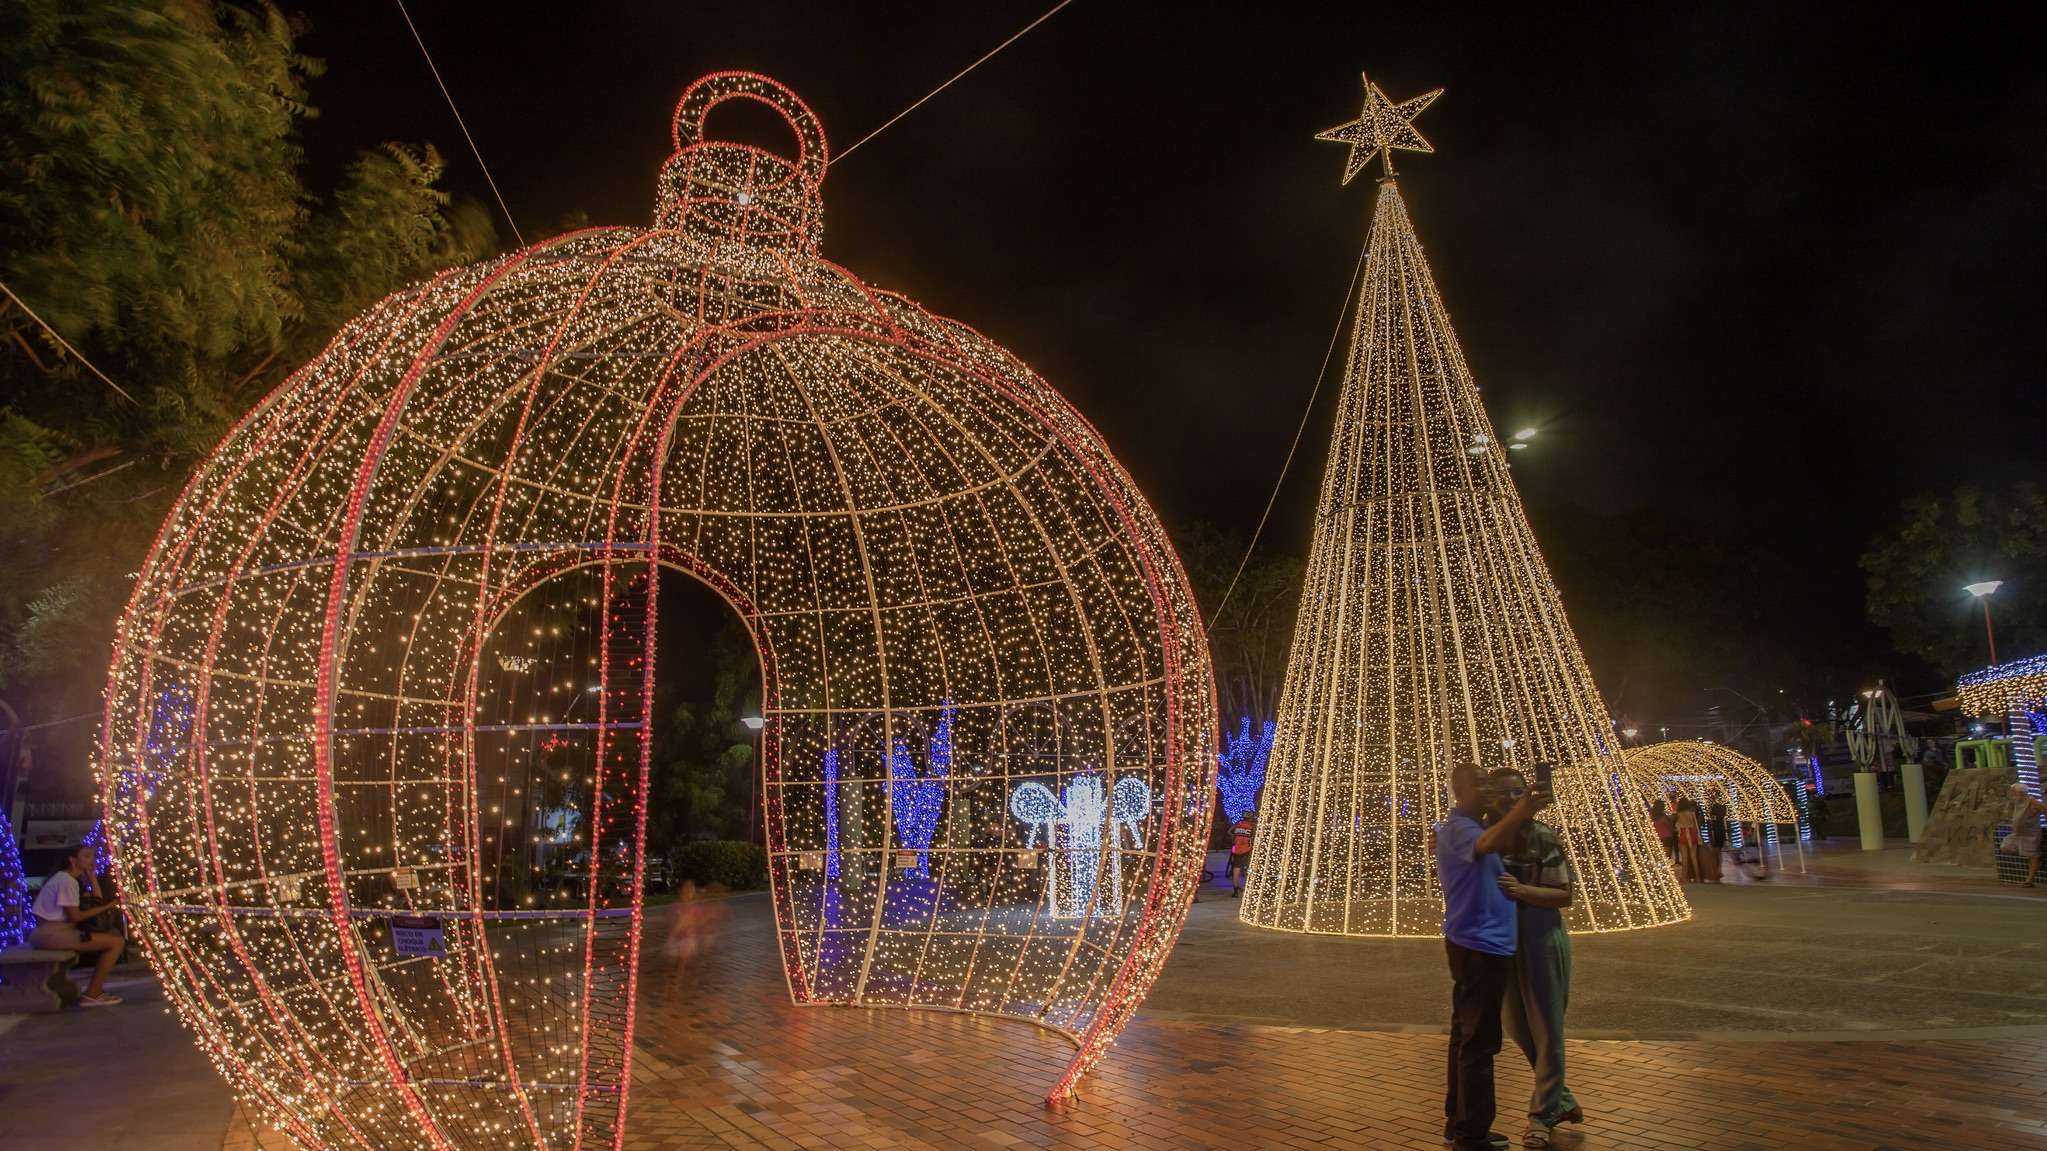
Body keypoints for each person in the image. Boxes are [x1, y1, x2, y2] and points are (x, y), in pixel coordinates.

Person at [1436, 762, 1551, 1151]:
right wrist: (1522, 811)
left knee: (1466, 1037)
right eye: (1478, 784)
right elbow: (1484, 846)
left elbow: (1497, 842)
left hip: (1480, 942)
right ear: (1460, 791)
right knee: (1480, 1041)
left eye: (1488, 783)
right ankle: (1472, 1133)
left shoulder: (1477, 825)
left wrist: (1517, 813)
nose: (1486, 790)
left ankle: (1460, 1122)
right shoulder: (1459, 828)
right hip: (1478, 945)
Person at [1489, 768, 1584, 1149]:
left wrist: (1522, 890)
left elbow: (1564, 895)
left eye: (1517, 792)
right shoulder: (1489, 835)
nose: (1511, 799)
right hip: (1503, 941)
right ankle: (1561, 1099)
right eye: (1502, 793)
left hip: (1541, 937)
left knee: (1548, 1031)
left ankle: (1541, 1116)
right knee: (1516, 1025)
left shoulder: (1541, 835)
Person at [28, 843, 125, 1006]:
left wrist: (92, 878)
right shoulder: (66, 881)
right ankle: (93, 994)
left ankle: (93, 992)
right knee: (116, 942)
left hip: (56, 932)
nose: (92, 860)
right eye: (86, 856)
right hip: (52, 934)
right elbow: (75, 916)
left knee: (114, 938)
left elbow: (96, 903)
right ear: (72, 860)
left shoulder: (72, 880)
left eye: (92, 856)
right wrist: (109, 906)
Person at [2001, 784, 2045, 886]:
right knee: (2005, 847)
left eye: (2014, 792)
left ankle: (2029, 881)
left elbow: (2044, 808)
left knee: (2033, 855)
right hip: (2018, 834)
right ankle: (2034, 859)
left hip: (2030, 834)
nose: (2012, 794)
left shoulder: (2032, 801)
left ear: (2021, 793)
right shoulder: (2017, 801)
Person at [1673, 798, 1703, 883]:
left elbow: (1677, 826)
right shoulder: (1692, 813)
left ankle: (1684, 877)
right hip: (1692, 834)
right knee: (1694, 857)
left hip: (1683, 834)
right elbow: (1695, 826)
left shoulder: (1678, 814)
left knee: (1685, 858)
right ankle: (1697, 877)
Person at [1228, 812, 1256, 897]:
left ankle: (1235, 890)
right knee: (1249, 868)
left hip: (1236, 849)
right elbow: (1255, 836)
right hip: (1247, 849)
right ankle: (1248, 888)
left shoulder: (1238, 823)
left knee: (1236, 869)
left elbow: (1229, 832)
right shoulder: (1252, 825)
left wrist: (1234, 838)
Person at [1650, 800, 1675, 866]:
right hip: (1667, 838)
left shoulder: (1651, 817)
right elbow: (1670, 827)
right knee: (1667, 858)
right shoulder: (1664, 817)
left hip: (1657, 838)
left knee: (1659, 858)